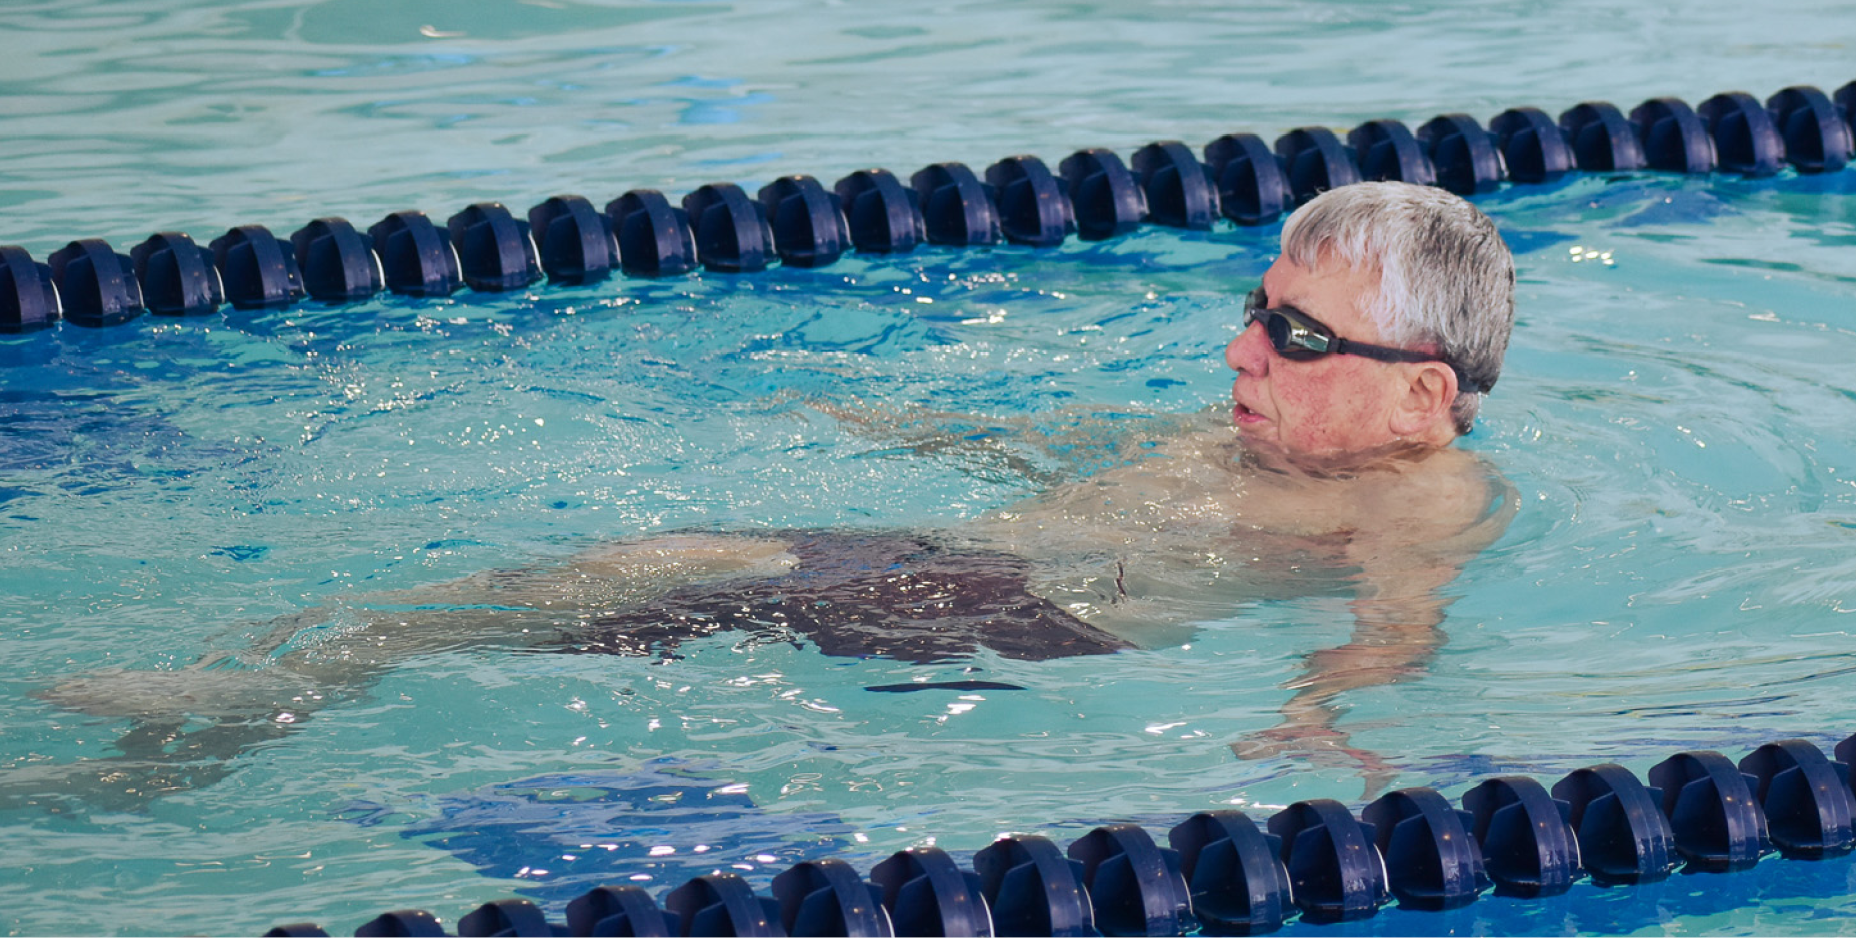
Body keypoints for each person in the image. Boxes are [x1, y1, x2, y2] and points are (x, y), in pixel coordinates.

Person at [32, 180, 1518, 805]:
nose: (1242, 346)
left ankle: (234, 716)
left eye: (1296, 334)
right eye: (1256, 308)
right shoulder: (1237, 444)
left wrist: (1332, 706)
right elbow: (1051, 457)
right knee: (624, 563)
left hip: (1021, 620)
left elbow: (1405, 619)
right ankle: (250, 685)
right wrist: (888, 414)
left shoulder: (1420, 495)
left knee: (633, 597)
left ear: (1419, 393)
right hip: (942, 564)